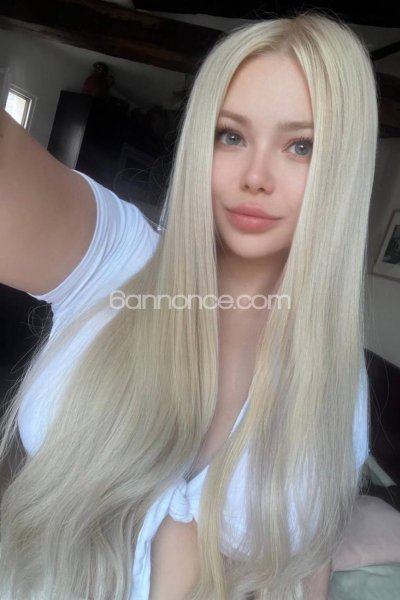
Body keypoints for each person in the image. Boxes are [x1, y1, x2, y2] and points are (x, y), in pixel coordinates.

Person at [0, 8, 399, 600]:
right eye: (231, 135)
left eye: (301, 146)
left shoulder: (336, 383)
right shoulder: (116, 258)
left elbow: (306, 564)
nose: (255, 176)